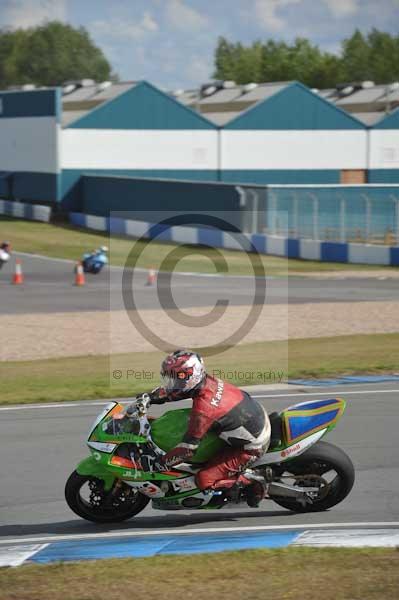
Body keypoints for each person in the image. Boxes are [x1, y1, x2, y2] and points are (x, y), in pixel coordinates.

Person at [144, 349, 271, 507]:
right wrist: (149, 397)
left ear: (191, 376)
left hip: (252, 446)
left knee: (204, 479)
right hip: (251, 418)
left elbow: (188, 450)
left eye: (176, 378)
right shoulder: (204, 382)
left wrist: (160, 463)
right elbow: (177, 391)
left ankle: (253, 481)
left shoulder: (205, 408)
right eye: (170, 378)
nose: (172, 383)